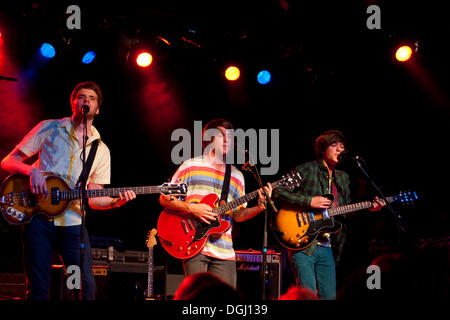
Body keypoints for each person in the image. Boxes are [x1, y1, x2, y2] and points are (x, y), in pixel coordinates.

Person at [1, 81, 136, 300]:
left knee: (85, 289)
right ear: (73, 102)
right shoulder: (50, 128)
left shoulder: (101, 150)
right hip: (39, 219)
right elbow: (9, 161)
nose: (86, 101)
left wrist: (115, 202)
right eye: (81, 97)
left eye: (92, 99)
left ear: (97, 109)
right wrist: (31, 171)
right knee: (38, 290)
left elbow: (94, 198)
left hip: (74, 224)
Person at [159, 118, 272, 288]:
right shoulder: (190, 165)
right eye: (221, 136)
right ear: (208, 140)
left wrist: (259, 207)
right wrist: (193, 208)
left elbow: (238, 215)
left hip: (224, 250)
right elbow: (164, 198)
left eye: (231, 137)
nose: (227, 140)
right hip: (194, 243)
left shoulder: (237, 176)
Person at [272, 130, 385, 300]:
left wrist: (370, 208)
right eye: (334, 145)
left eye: (342, 146)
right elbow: (278, 192)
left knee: (329, 297)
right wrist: (309, 201)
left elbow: (346, 213)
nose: (340, 149)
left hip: (328, 247)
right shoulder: (307, 169)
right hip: (303, 243)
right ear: (322, 150)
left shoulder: (343, 177)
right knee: (307, 295)